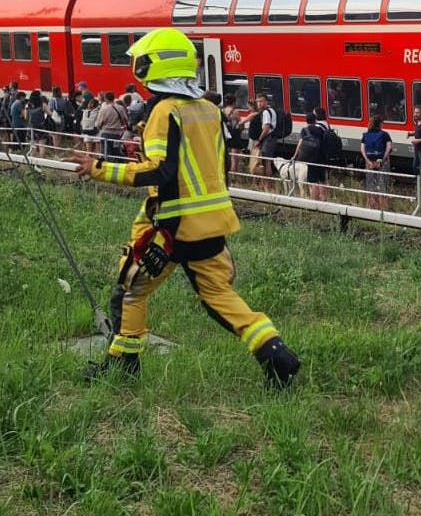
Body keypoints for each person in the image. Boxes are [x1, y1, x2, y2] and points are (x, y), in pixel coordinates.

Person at [70, 28, 300, 387]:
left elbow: (161, 170)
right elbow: (222, 166)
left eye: (142, 61)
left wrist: (100, 169)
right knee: (219, 296)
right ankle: (275, 352)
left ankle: (123, 367)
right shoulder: (208, 109)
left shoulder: (164, 111)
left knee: (130, 290)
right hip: (212, 222)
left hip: (172, 226)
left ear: (154, 66)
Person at [292, 108, 333, 200]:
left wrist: (295, 155)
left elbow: (300, 143)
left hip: (311, 157)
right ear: (315, 119)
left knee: (313, 180)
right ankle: (324, 199)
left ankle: (314, 200)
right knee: (322, 179)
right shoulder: (322, 129)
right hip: (321, 156)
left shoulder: (305, 130)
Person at [361, 115, 393, 211]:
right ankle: (383, 210)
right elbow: (389, 148)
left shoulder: (365, 135)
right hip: (382, 164)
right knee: (383, 185)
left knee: (371, 185)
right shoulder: (385, 134)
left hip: (369, 163)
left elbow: (362, 149)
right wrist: (382, 160)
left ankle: (372, 209)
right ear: (380, 124)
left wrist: (368, 161)